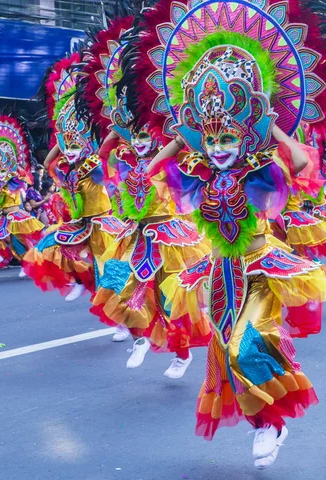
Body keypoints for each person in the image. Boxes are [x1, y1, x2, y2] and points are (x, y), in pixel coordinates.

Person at [120, 0, 326, 468]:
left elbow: (300, 163)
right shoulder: (198, 171)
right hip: (220, 272)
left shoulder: (259, 168)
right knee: (226, 353)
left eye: (228, 139)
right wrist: (181, 139)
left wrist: (273, 128)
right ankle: (268, 425)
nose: (219, 148)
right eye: (212, 140)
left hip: (260, 267)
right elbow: (155, 169)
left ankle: (276, 421)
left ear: (244, 136)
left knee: (246, 344)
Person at [75, 6, 211, 374]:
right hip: (134, 234)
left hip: (170, 236)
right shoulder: (122, 153)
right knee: (122, 288)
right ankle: (139, 338)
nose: (138, 140)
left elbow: (188, 145)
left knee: (171, 300)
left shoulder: (171, 151)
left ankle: (183, 353)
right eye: (132, 135)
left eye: (142, 134)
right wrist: (117, 133)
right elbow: (104, 155)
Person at [24, 53, 115, 302]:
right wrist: (60, 137)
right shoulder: (68, 167)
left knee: (107, 270)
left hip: (102, 223)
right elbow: (47, 162)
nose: (71, 151)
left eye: (77, 146)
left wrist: (99, 130)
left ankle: (120, 318)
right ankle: (77, 281)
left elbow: (105, 150)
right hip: (81, 222)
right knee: (51, 245)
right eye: (69, 147)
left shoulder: (94, 163)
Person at [0, 114, 44, 278]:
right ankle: (1, 253)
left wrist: (16, 170)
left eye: (2, 158)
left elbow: (26, 179)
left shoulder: (15, 178)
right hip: (3, 215)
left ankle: (30, 263)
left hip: (15, 214)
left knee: (20, 241)